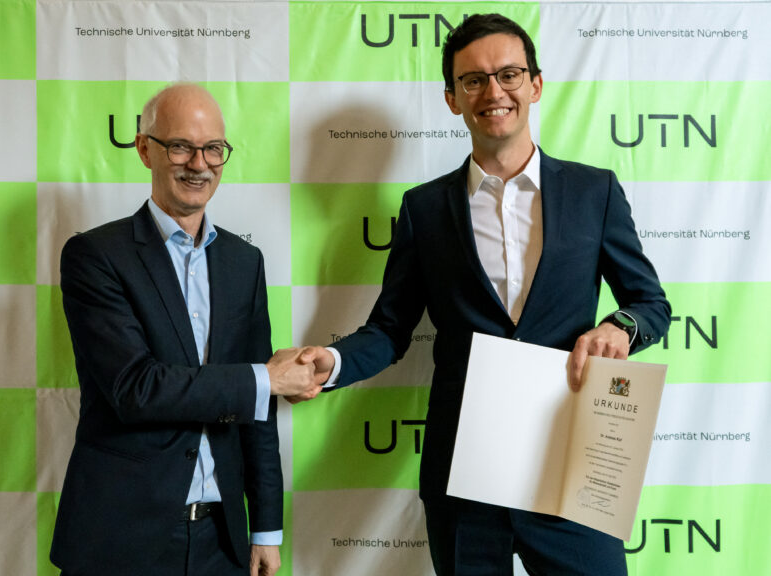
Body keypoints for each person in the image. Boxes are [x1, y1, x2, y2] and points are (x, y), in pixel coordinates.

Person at [290, 13, 672, 576]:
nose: (493, 91)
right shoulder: (424, 209)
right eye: (473, 80)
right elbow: (390, 329)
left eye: (509, 74)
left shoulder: (596, 192)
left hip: (570, 464)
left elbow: (651, 304)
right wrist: (333, 361)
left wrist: (617, 327)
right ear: (452, 99)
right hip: (464, 476)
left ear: (535, 85)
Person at [50, 83, 319, 576]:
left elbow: (256, 413)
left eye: (213, 148)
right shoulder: (95, 257)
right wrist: (267, 378)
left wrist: (265, 529)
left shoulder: (244, 261)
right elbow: (136, 388)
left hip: (223, 540)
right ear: (144, 148)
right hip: (120, 538)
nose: (199, 163)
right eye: (180, 146)